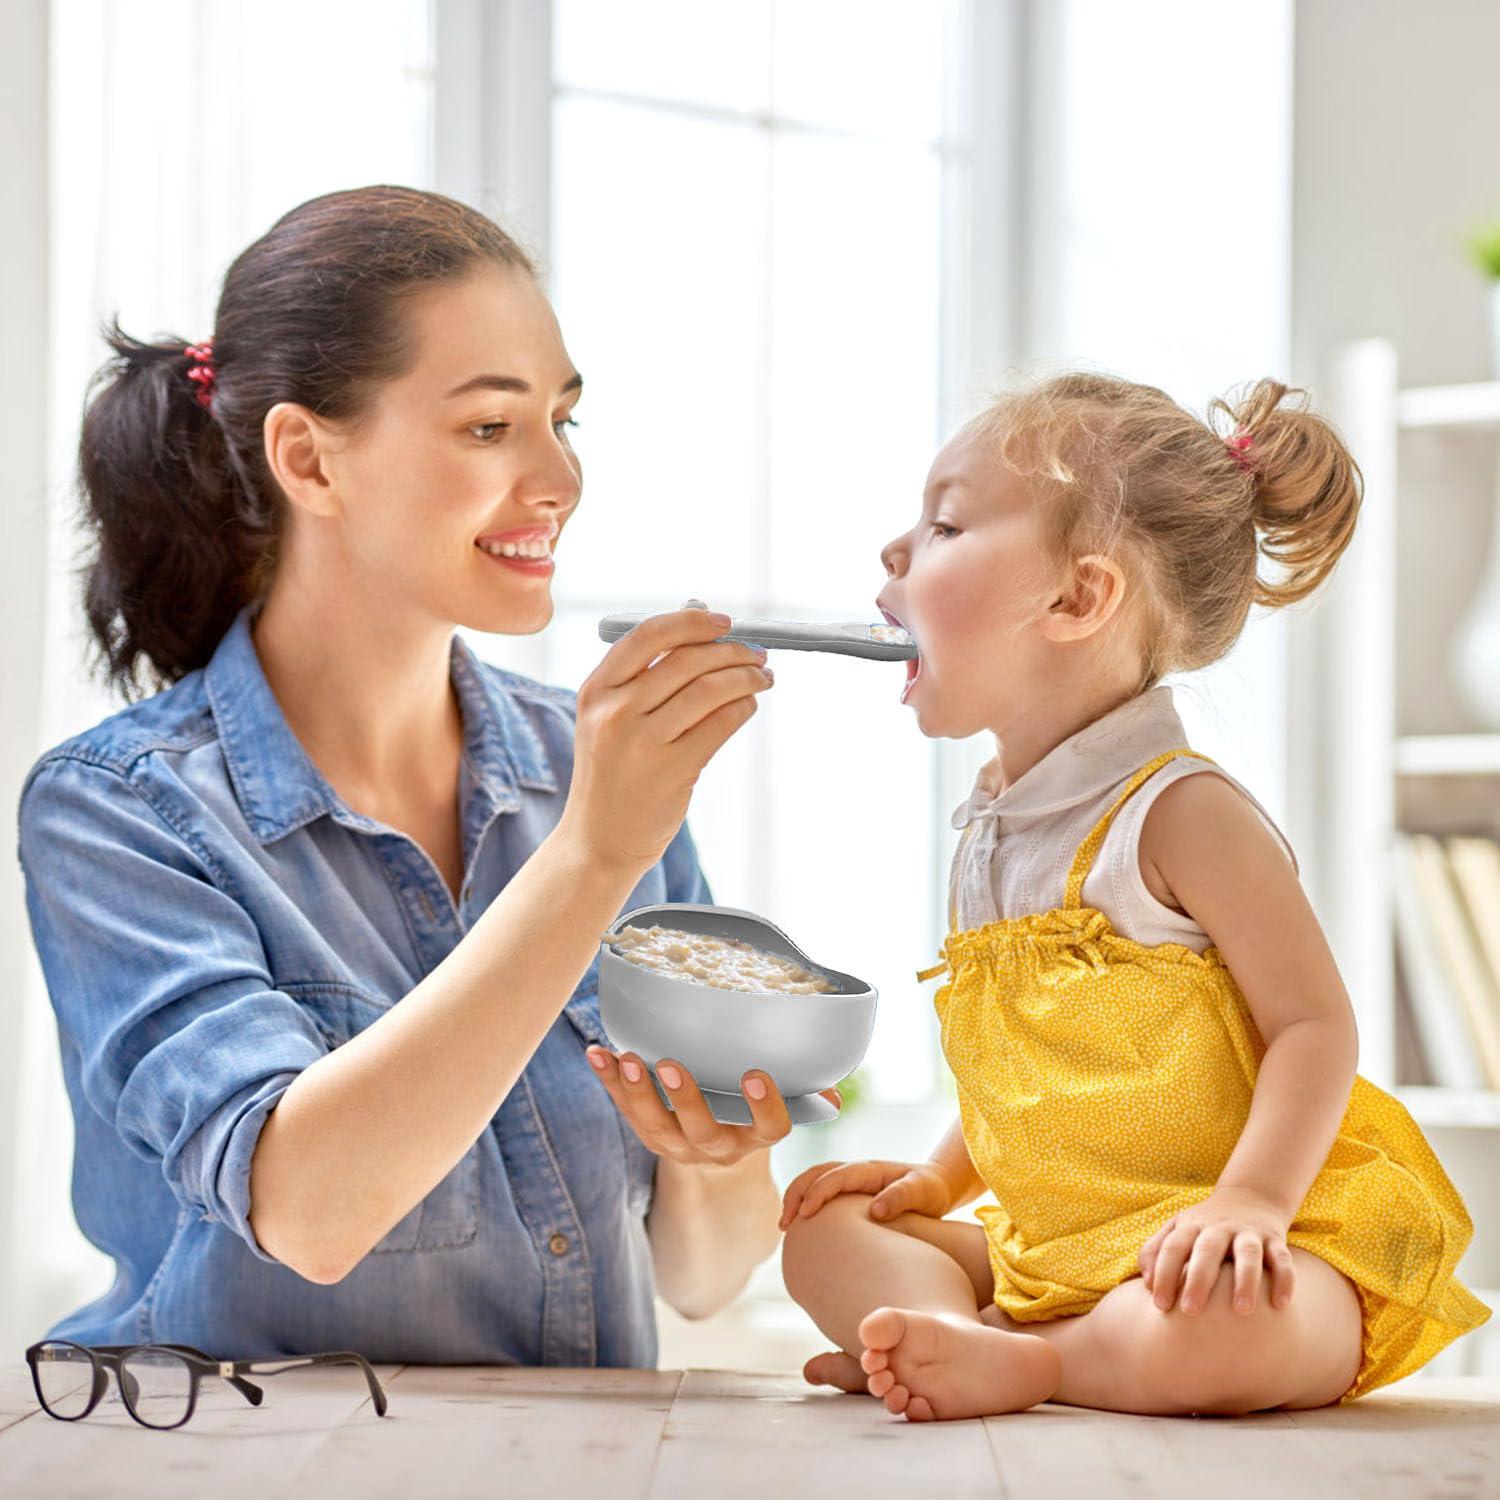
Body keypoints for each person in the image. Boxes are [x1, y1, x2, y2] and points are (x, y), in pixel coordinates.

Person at [18, 185, 817, 1365]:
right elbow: (309, 1210)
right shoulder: (121, 811)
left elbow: (701, 1279)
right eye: (491, 428)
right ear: (309, 458)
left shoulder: (588, 768)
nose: (558, 479)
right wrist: (596, 855)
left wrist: (723, 1153)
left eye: (565, 421)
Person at [778, 371, 1490, 1419]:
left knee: (1236, 1330)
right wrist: (936, 1185)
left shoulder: (1184, 814)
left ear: (1076, 599)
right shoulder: (994, 830)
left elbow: (1313, 1026)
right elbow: (1036, 1071)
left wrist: (1251, 1205)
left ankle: (1040, 1363)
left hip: (1221, 1245)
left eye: (944, 524)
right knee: (823, 1238)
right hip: (1060, 1250)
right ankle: (964, 1345)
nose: (895, 550)